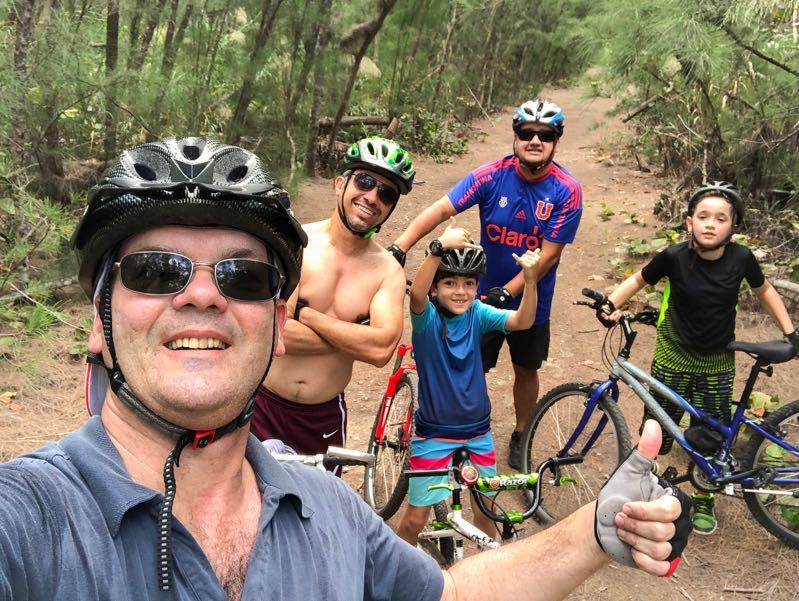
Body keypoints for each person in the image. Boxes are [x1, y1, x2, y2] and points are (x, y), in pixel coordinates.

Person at [0, 136, 690, 601]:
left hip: (316, 422)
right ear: (98, 320)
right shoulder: (33, 518)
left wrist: (594, 529)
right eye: (155, 271)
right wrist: (344, 330)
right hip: (270, 409)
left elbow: (447, 594)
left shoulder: (328, 512)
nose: (202, 293)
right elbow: (369, 338)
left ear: (267, 318)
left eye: (242, 278)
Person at [389, 98, 583, 469]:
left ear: (556, 141)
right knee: (458, 363)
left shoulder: (566, 190)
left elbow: (548, 255)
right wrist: (401, 246)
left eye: (545, 135)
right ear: (515, 137)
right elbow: (442, 209)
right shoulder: (492, 175)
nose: (535, 140)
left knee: (527, 369)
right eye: (527, 133)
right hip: (473, 297)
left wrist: (509, 292)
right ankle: (442, 427)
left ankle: (521, 432)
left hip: (528, 299)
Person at [605, 180, 799, 535]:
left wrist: (790, 332)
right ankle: (645, 487)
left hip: (717, 358)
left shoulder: (741, 259)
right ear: (689, 221)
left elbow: (765, 289)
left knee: (711, 432)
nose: (711, 223)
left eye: (721, 218)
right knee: (657, 425)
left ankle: (705, 498)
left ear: (733, 226)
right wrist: (610, 304)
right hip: (673, 353)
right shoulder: (674, 256)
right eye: (703, 216)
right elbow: (638, 279)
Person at [253, 137, 411, 469]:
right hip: (261, 406)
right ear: (340, 184)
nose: (372, 197)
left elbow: (381, 351)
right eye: (365, 181)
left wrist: (306, 314)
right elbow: (274, 333)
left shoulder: (388, 272)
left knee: (318, 516)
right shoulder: (297, 244)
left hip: (322, 419)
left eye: (386, 193)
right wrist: (354, 338)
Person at [395, 217, 541, 545]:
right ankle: (394, 572)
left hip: (477, 431)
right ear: (436, 288)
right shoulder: (426, 319)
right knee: (415, 519)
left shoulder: (478, 312)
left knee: (485, 509)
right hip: (434, 433)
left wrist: (530, 282)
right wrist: (438, 249)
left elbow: (523, 320)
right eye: (450, 284)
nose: (461, 292)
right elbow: (416, 294)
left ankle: (484, 570)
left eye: (469, 284)